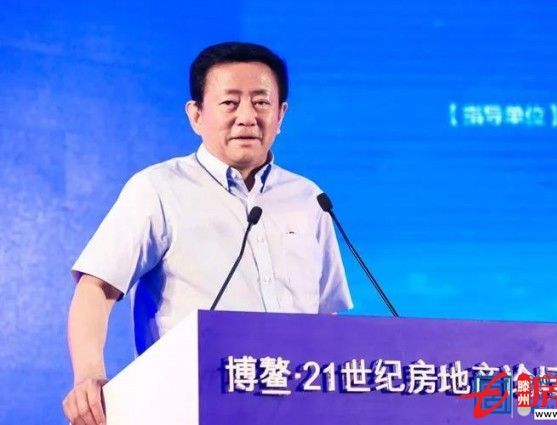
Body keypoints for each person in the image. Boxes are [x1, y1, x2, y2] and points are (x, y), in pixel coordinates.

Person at [62, 41, 353, 425]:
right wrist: (88, 375)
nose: (247, 117)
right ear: (196, 115)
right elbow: (96, 287)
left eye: (261, 102)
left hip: (296, 408)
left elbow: (325, 314)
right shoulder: (159, 188)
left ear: (281, 114)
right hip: (187, 405)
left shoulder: (310, 198)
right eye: (230, 103)